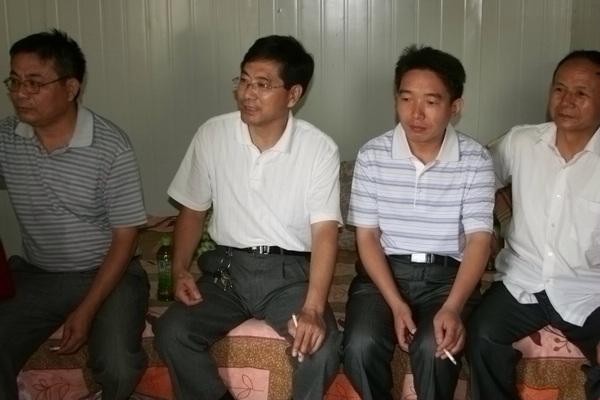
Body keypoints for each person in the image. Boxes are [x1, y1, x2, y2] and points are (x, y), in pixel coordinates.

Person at [153, 35, 342, 400]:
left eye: (263, 84)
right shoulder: (213, 134)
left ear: (293, 94)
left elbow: (324, 233)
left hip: (288, 279)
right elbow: (193, 210)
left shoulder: (319, 149)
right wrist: (179, 270)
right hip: (226, 275)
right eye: (243, 80)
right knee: (172, 331)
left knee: (322, 348)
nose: (247, 93)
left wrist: (313, 308)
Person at [0, 29, 149, 399]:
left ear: (70, 88)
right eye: (14, 81)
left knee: (118, 364)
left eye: (34, 83)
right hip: (39, 275)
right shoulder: (6, 138)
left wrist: (86, 311)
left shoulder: (110, 146)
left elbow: (126, 237)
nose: (20, 93)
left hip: (108, 273)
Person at [342, 45, 495, 400]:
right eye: (406, 98)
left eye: (431, 101)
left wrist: (453, 307)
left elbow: (479, 241)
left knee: (435, 347)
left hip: (447, 279)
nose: (416, 113)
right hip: (385, 275)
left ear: (455, 107)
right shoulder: (373, 154)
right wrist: (396, 304)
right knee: (360, 345)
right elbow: (367, 237)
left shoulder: (475, 160)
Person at [467, 50, 600, 400]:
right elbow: (474, 176)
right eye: (559, 89)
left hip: (589, 289)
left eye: (581, 93)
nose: (566, 101)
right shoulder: (522, 141)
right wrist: (485, 228)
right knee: (482, 335)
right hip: (521, 279)